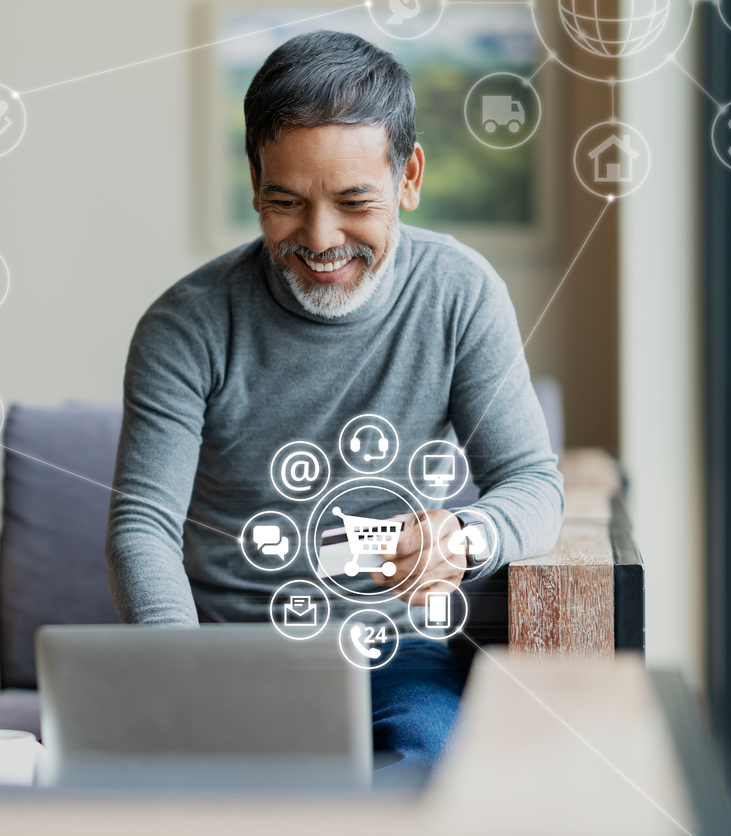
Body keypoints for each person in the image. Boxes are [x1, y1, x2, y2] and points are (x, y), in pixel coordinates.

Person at [105, 30, 564, 780]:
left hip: (395, 657)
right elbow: (141, 525)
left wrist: (466, 536)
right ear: (254, 185)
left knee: (430, 772)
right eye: (284, 202)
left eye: (353, 202)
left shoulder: (460, 292)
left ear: (408, 176)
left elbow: (534, 487)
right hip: (221, 654)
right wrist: (175, 669)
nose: (319, 240)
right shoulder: (183, 323)